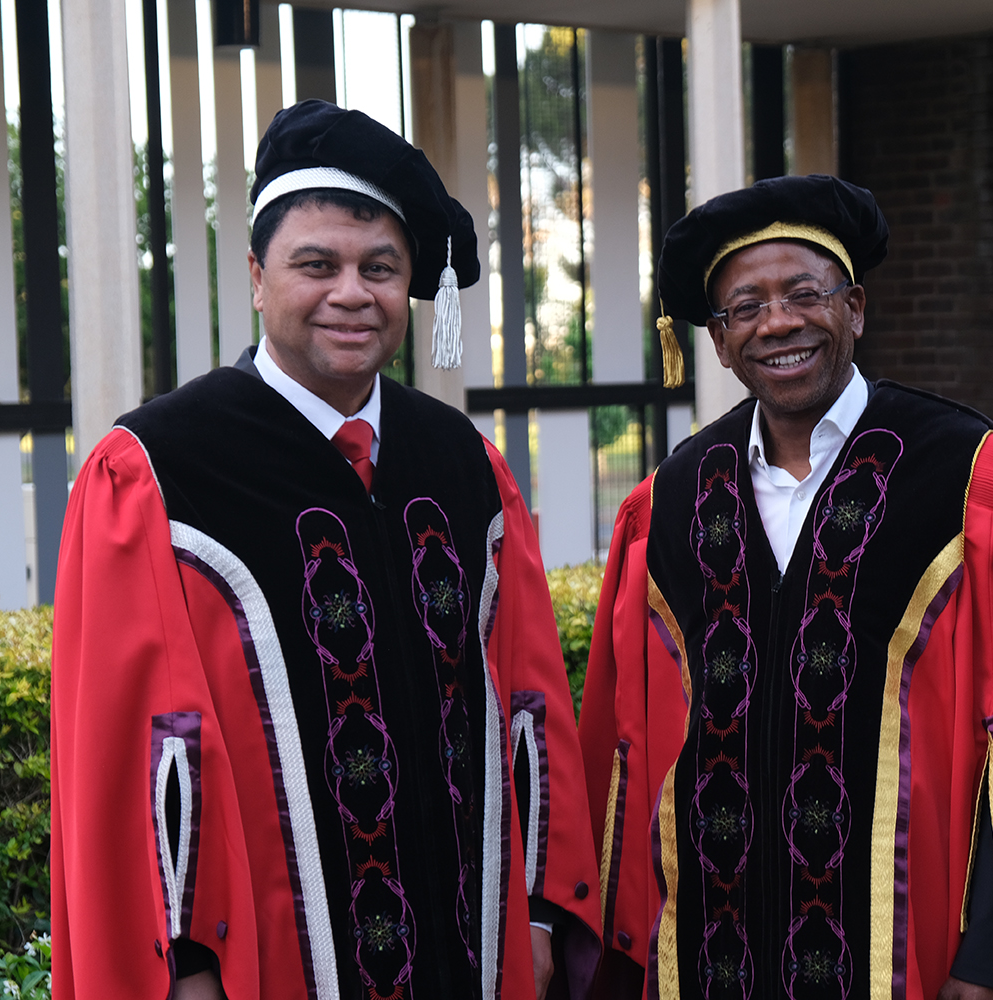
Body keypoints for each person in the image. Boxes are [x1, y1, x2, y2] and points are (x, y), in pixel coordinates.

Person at [50, 101, 601, 1000]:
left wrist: (539, 915)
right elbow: (142, 756)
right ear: (260, 277)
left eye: (380, 268)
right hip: (268, 966)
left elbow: (529, 702)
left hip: (474, 953)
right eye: (318, 265)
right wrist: (184, 967)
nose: (353, 293)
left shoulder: (463, 466)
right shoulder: (160, 470)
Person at [577, 174, 993, 999]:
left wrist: (990, 959)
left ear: (854, 307)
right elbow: (627, 747)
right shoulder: (668, 503)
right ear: (716, 339)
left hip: (908, 955)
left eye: (803, 293)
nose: (777, 323)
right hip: (709, 955)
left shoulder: (970, 479)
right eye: (744, 307)